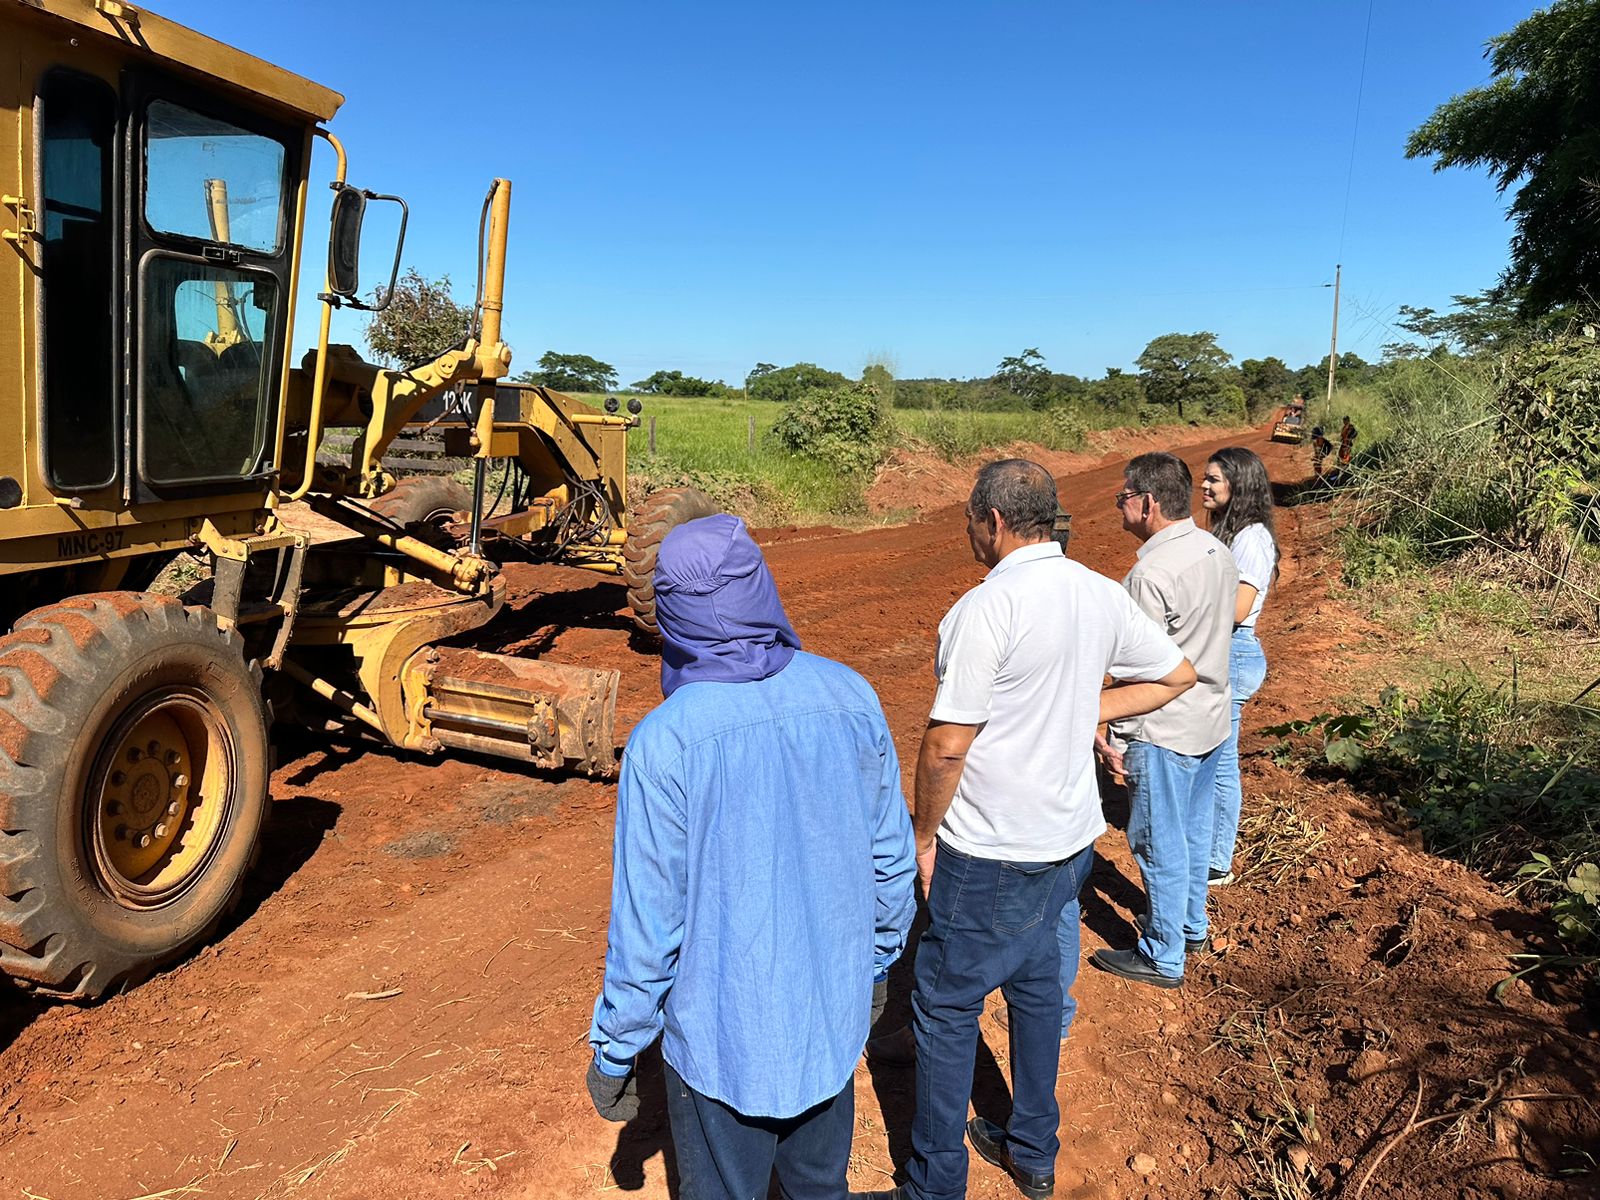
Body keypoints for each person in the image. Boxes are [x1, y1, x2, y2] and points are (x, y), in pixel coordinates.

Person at [857, 459, 1195, 1200]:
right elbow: (1176, 676)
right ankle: (1032, 1150)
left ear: (994, 522)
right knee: (1040, 994)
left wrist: (921, 835)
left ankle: (933, 1185)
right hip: (1071, 844)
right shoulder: (1098, 592)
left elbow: (947, 743)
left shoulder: (986, 608)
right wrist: (1085, 710)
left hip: (991, 852)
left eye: (970, 523)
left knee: (945, 1010)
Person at [587, 513, 916, 1200]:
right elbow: (891, 860)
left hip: (721, 1043)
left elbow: (650, 927)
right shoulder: (850, 695)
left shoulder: (665, 743)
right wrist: (878, 965)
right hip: (829, 1019)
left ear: (671, 614)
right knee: (819, 1187)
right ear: (762, 587)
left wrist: (618, 1049)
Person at [1089, 452, 1237, 989]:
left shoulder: (1150, 573)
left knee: (1159, 842)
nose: (1120, 508)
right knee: (1194, 833)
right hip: (1211, 720)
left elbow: (1139, 670)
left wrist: (1114, 737)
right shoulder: (1217, 551)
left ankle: (1162, 954)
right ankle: (1190, 926)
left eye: (1122, 499)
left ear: (1147, 503)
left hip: (1164, 730)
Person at [1200, 448, 1278, 887]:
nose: (1205, 486)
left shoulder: (1250, 537)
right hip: (1225, 651)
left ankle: (1216, 861)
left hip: (1234, 650)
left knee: (1221, 759)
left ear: (1238, 484)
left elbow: (1238, 608)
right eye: (1205, 479)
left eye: (1214, 479)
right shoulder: (1230, 532)